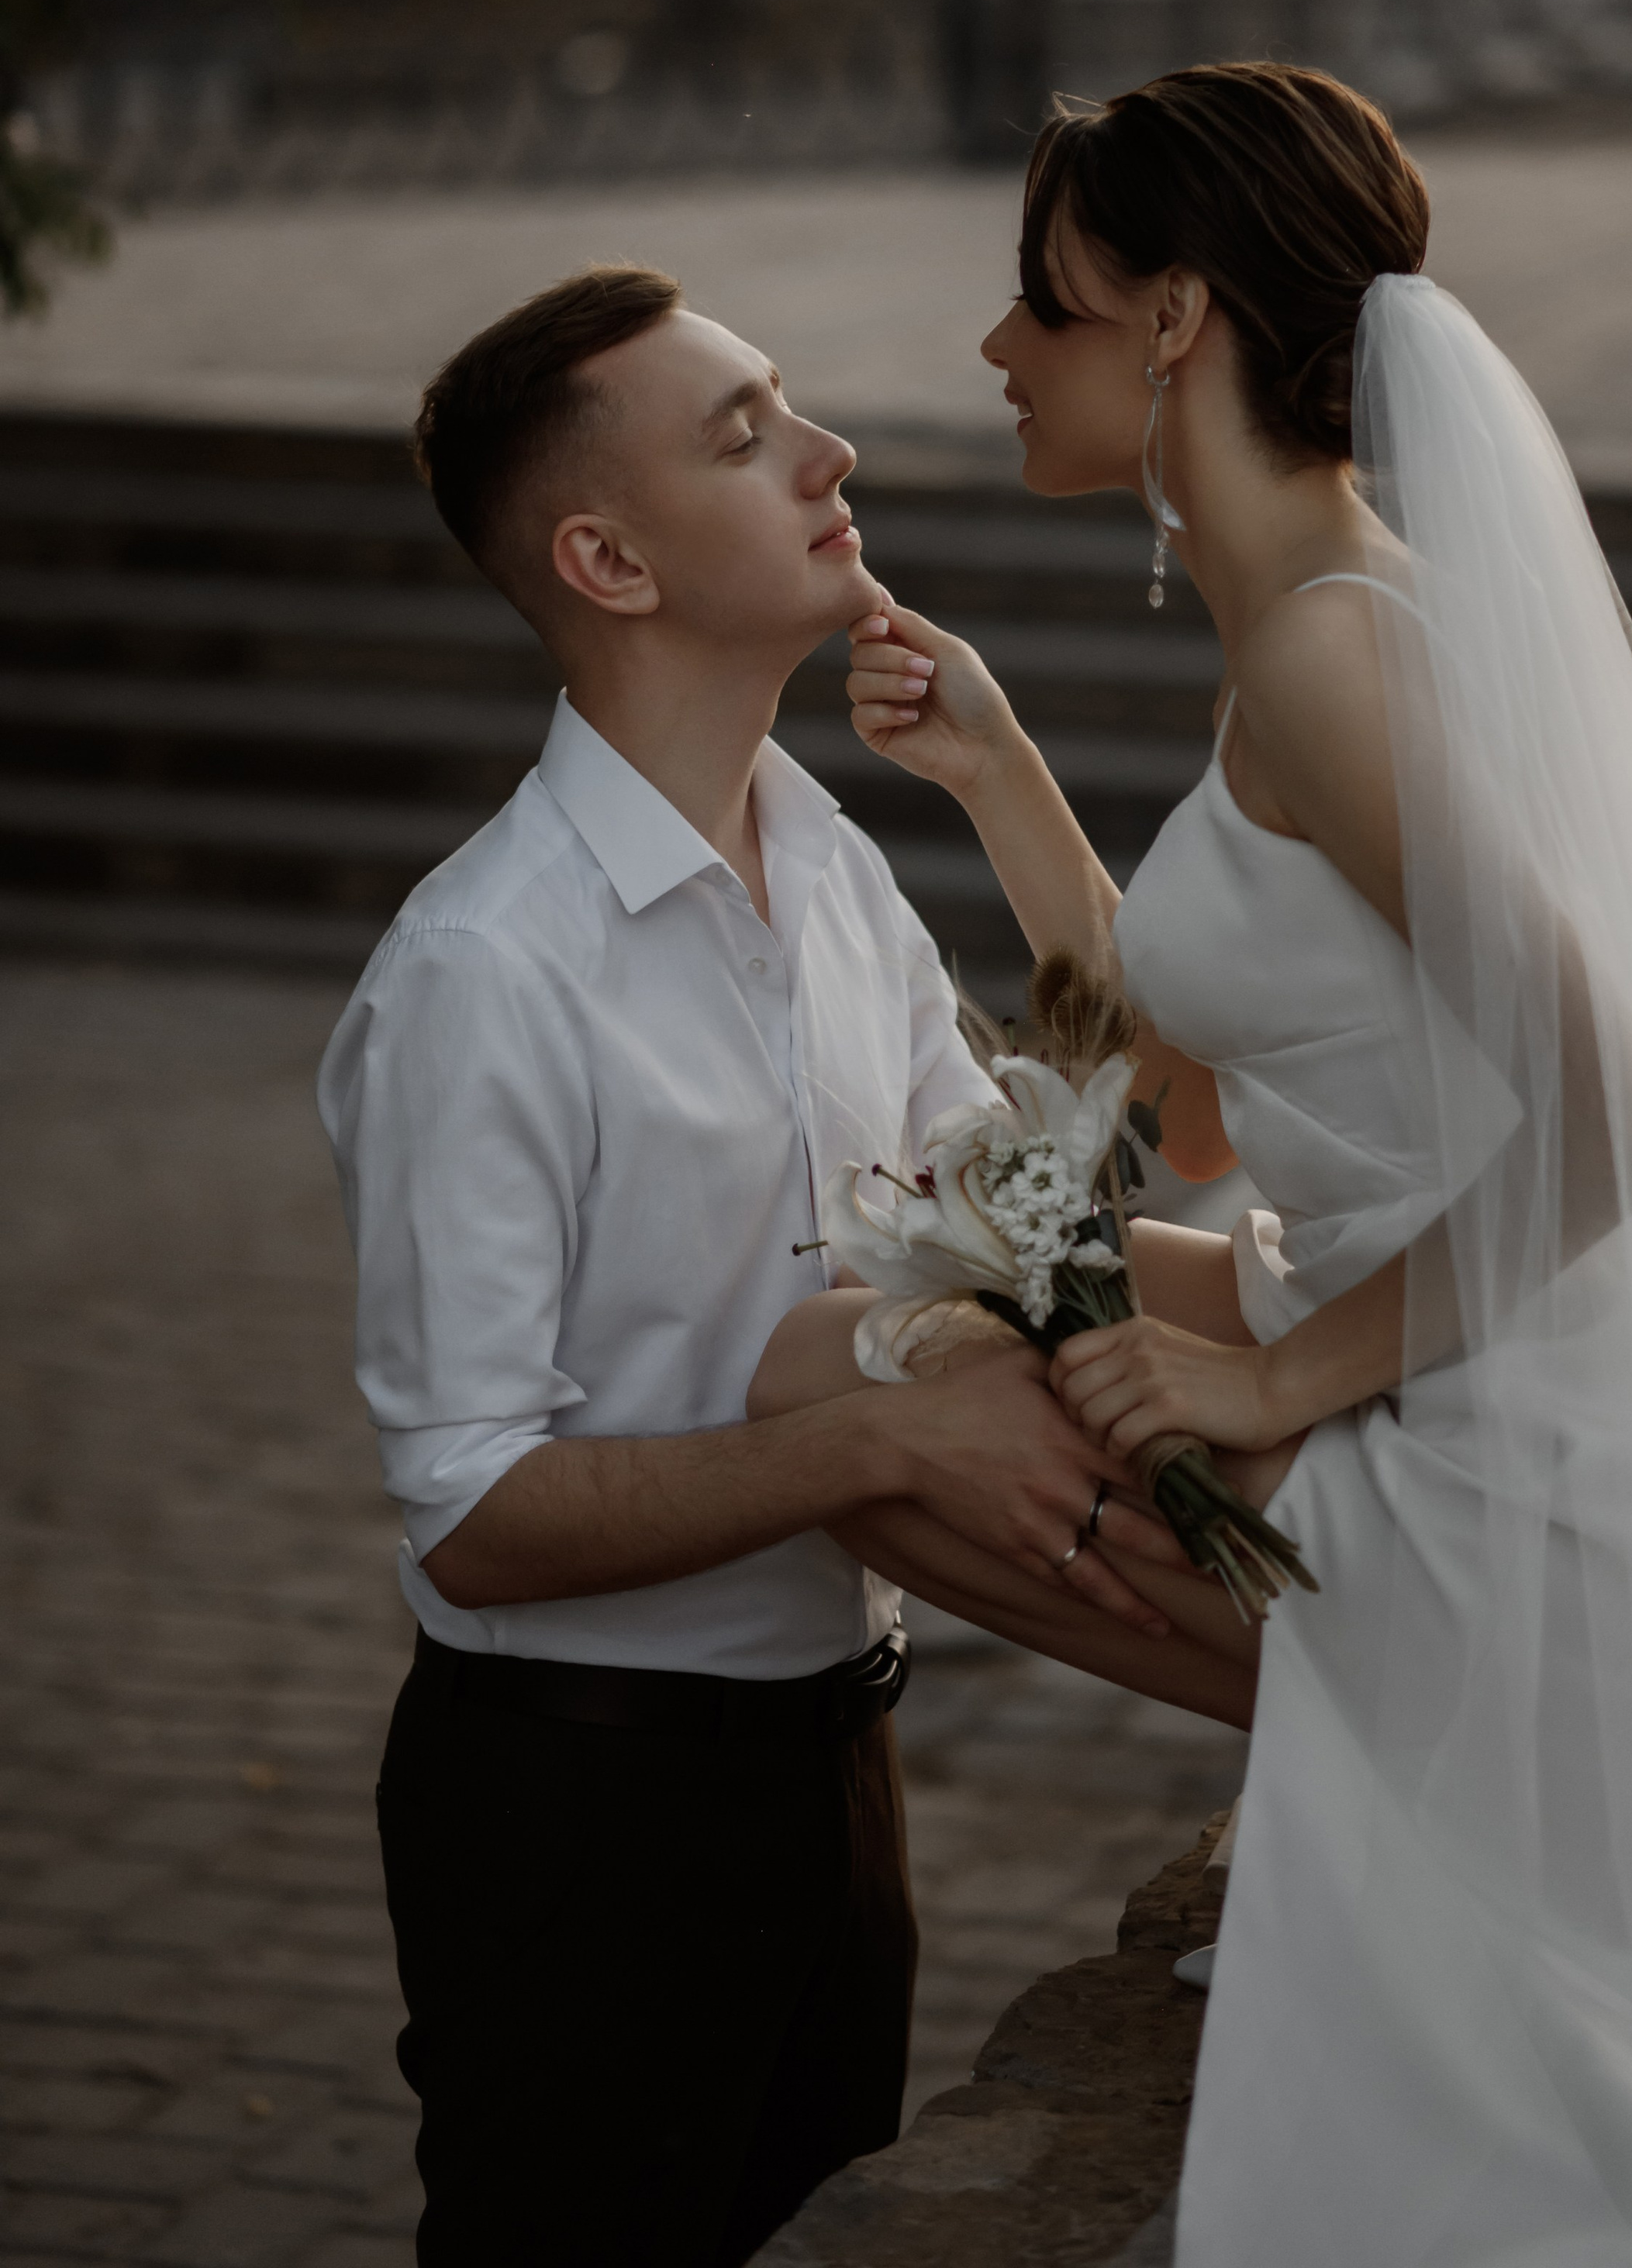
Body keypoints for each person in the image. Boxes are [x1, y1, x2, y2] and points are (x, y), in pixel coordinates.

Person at [753, 65, 1632, 2261]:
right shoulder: (1304, 633)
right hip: (1453, 1327)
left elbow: (1629, 1112)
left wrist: (1267, 1383)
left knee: (843, 1388)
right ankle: (1364, 1772)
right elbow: (1192, 1116)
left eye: (1039, 296)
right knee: (880, 1334)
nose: (992, 349)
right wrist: (1007, 779)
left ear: (1172, 320)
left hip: (1526, 1437)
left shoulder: (1334, 650)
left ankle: (1390, 1782)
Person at [316, 264, 1248, 2268]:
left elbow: (1053, 1217)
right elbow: (472, 1511)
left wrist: (1005, 785)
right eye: (745, 437)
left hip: (840, 1769)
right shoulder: (485, 974)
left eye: (793, 408)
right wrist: (880, 1458)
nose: (830, 454)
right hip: (578, 1811)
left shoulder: (824, 862)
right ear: (607, 558)